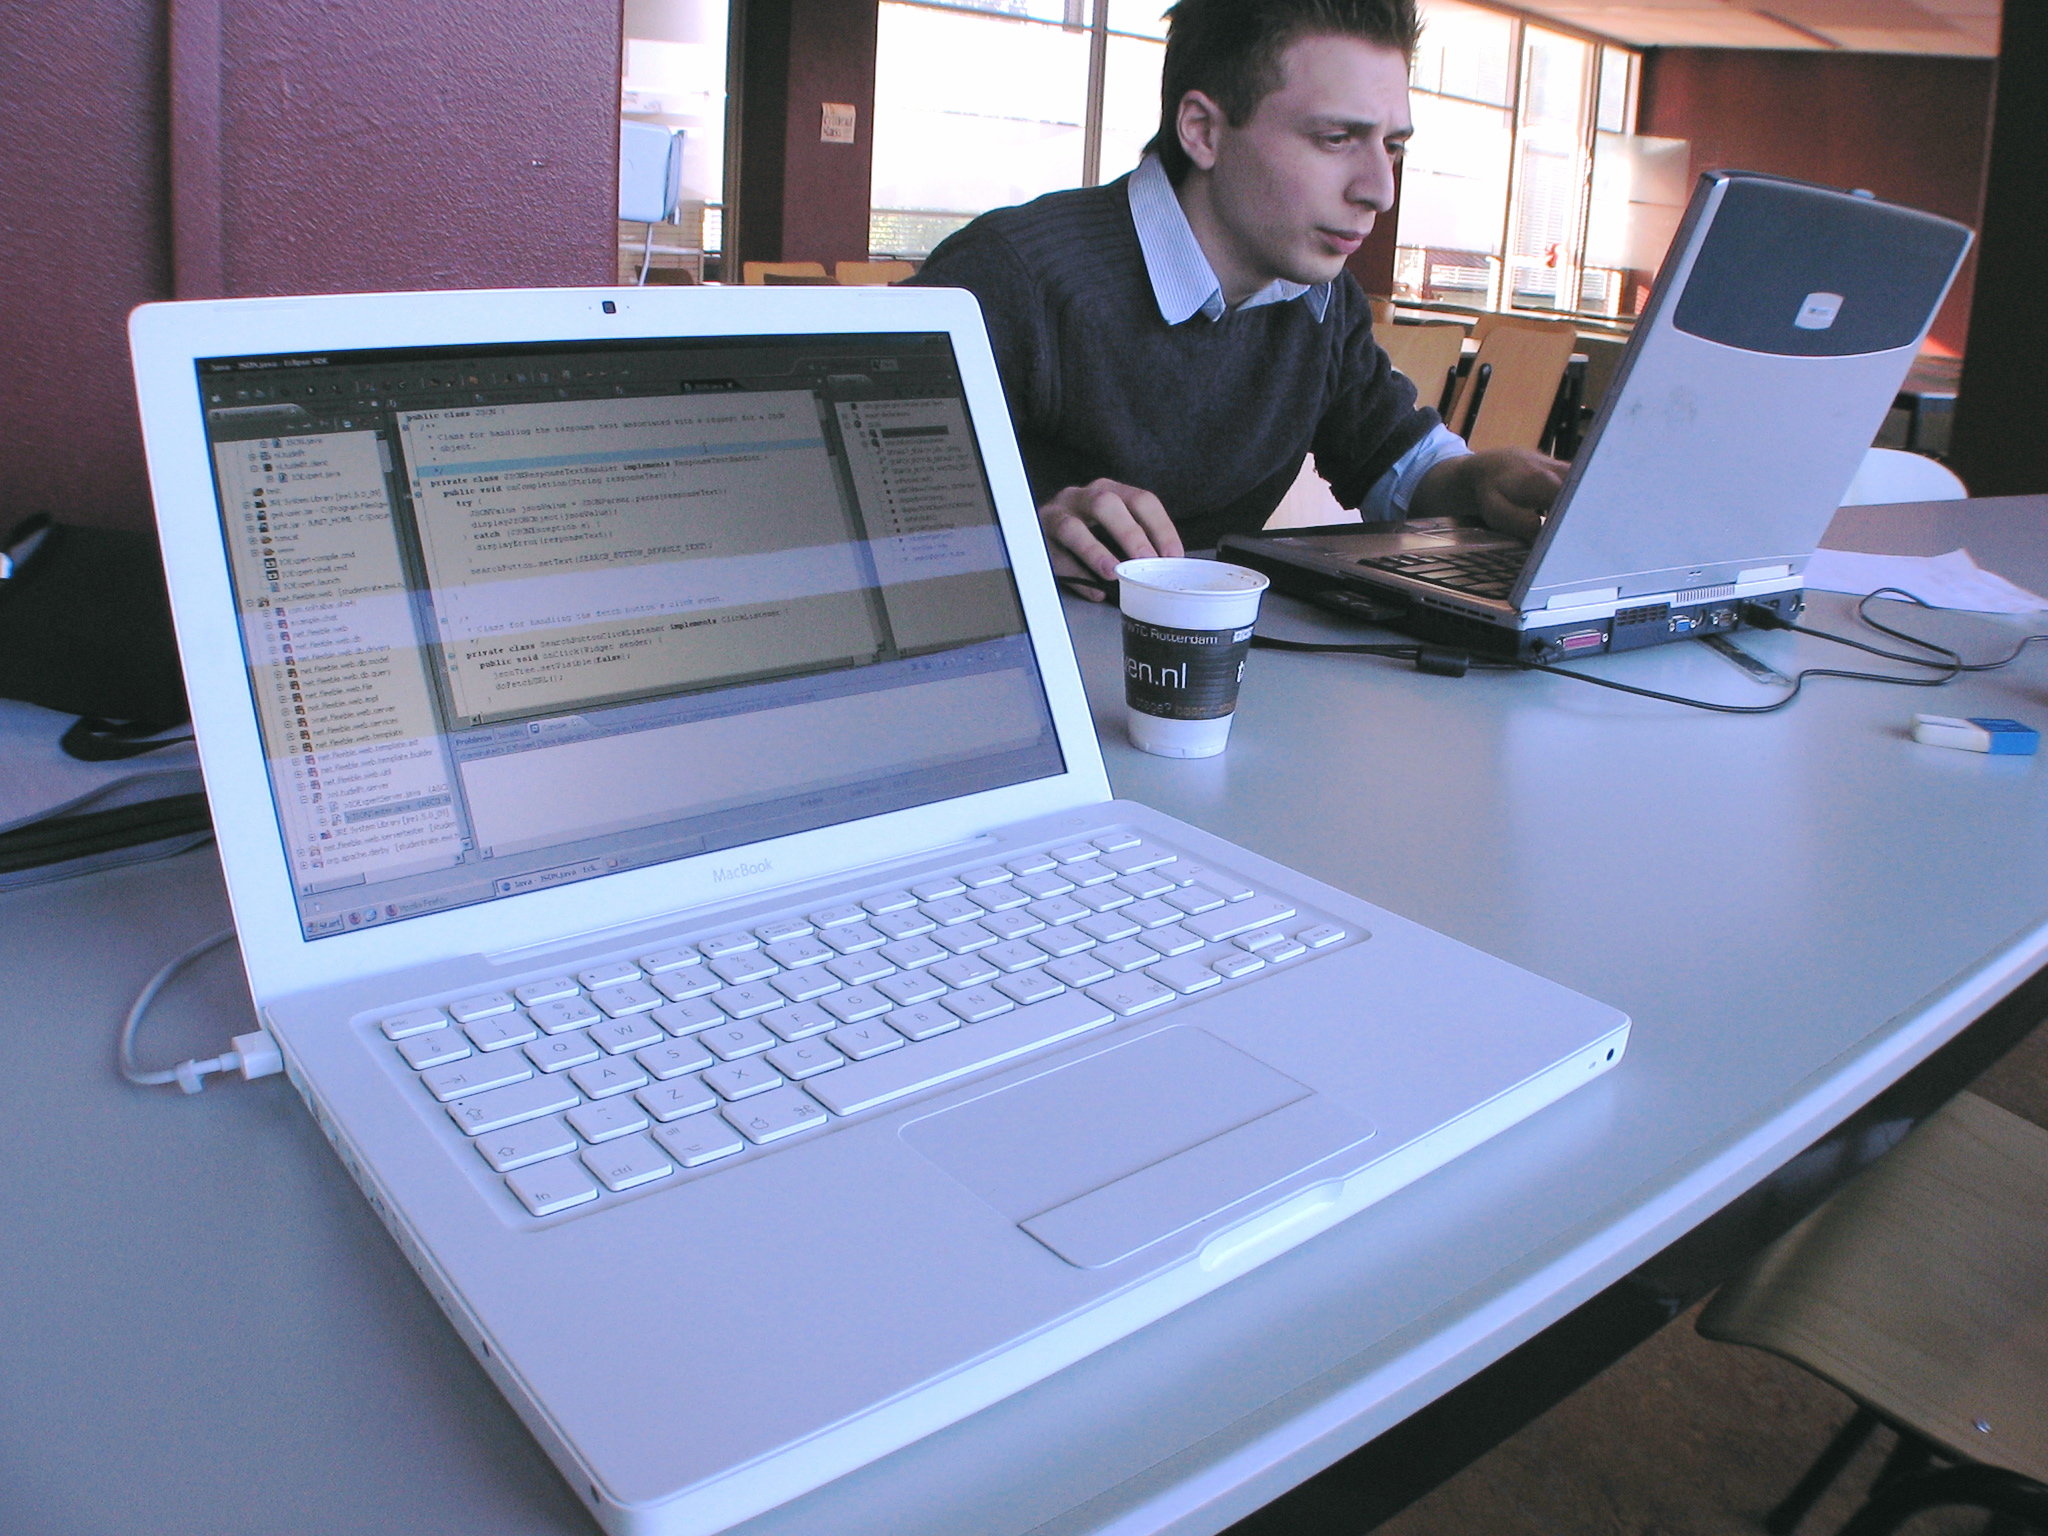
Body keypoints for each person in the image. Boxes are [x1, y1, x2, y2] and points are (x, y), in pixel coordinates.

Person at [911, 0, 1564, 599]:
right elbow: (845, 508)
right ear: (1202, 131)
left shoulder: (1320, 299)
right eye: (1337, 139)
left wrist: (1477, 481)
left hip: (1207, 677)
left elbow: (1396, 460)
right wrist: (1014, 531)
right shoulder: (1008, 278)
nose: (1380, 190)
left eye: (1391, 147)